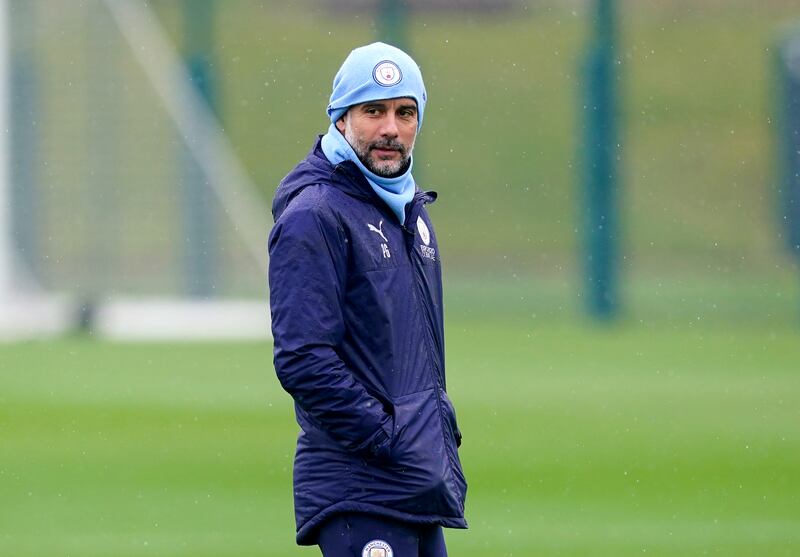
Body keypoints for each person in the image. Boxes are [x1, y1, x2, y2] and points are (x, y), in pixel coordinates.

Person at [268, 42, 467, 557]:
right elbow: (303, 359)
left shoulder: (410, 210)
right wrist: (387, 436)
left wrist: (432, 425)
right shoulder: (314, 215)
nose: (390, 129)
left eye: (405, 112)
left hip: (416, 481)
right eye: (373, 111)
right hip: (360, 487)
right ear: (340, 119)